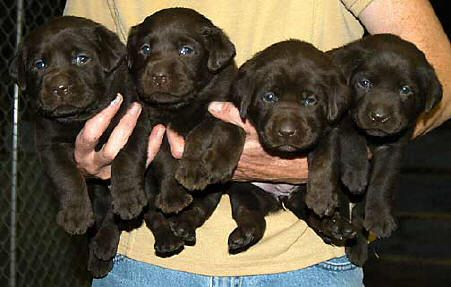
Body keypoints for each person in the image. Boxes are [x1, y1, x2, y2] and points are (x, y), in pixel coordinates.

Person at [64, 0, 451, 286]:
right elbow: (84, 68)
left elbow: (440, 78)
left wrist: (339, 156)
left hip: (307, 265)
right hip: (140, 261)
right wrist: (82, 154)